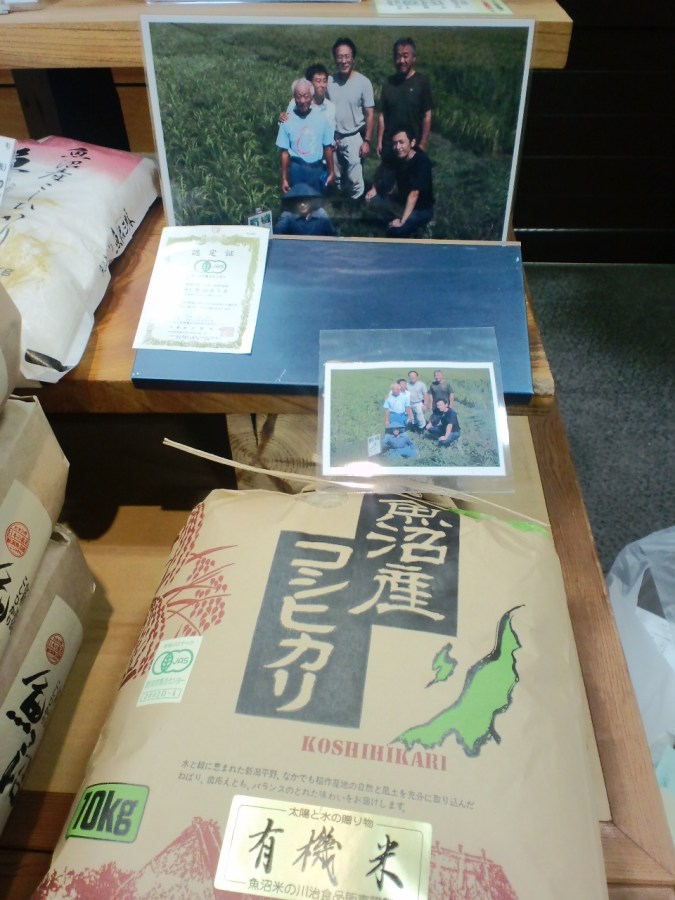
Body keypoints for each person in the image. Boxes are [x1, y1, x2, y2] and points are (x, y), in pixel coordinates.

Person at [376, 37, 434, 193]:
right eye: (397, 56)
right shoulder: (388, 83)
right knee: (386, 184)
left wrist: (422, 143)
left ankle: (407, 207)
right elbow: (382, 115)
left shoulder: (421, 82)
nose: (401, 60)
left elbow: (427, 115)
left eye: (405, 56)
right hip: (391, 143)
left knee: (410, 185)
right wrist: (380, 140)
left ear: (413, 58)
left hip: (412, 144)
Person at [327, 37, 375, 201]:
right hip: (334, 137)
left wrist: (367, 141)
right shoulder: (329, 82)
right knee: (336, 175)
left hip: (354, 136)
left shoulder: (364, 83)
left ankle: (356, 204)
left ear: (353, 58)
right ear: (335, 59)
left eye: (347, 56)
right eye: (339, 57)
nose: (343, 61)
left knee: (354, 177)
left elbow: (370, 114)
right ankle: (340, 202)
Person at [365, 127, 434, 238]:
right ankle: (394, 220)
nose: (397, 147)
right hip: (402, 202)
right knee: (372, 200)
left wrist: (402, 221)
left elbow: (414, 194)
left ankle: (419, 228)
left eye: (401, 142)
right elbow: (382, 169)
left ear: (412, 142)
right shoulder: (396, 155)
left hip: (421, 208)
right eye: (395, 143)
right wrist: (374, 188)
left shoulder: (422, 162)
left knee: (395, 232)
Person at [276, 78, 335, 195]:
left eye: (306, 96)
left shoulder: (322, 119)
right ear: (294, 98)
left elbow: (328, 147)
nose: (302, 101)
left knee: (317, 203)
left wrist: (332, 172)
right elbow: (284, 153)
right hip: (296, 169)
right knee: (297, 202)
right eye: (298, 97)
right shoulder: (286, 120)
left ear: (312, 97)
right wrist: (284, 178)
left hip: (317, 169)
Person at [273, 183, 338, 237]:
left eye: (305, 201)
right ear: (295, 203)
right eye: (299, 202)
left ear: (311, 202)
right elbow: (277, 234)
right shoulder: (289, 216)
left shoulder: (320, 215)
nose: (302, 205)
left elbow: (332, 236)